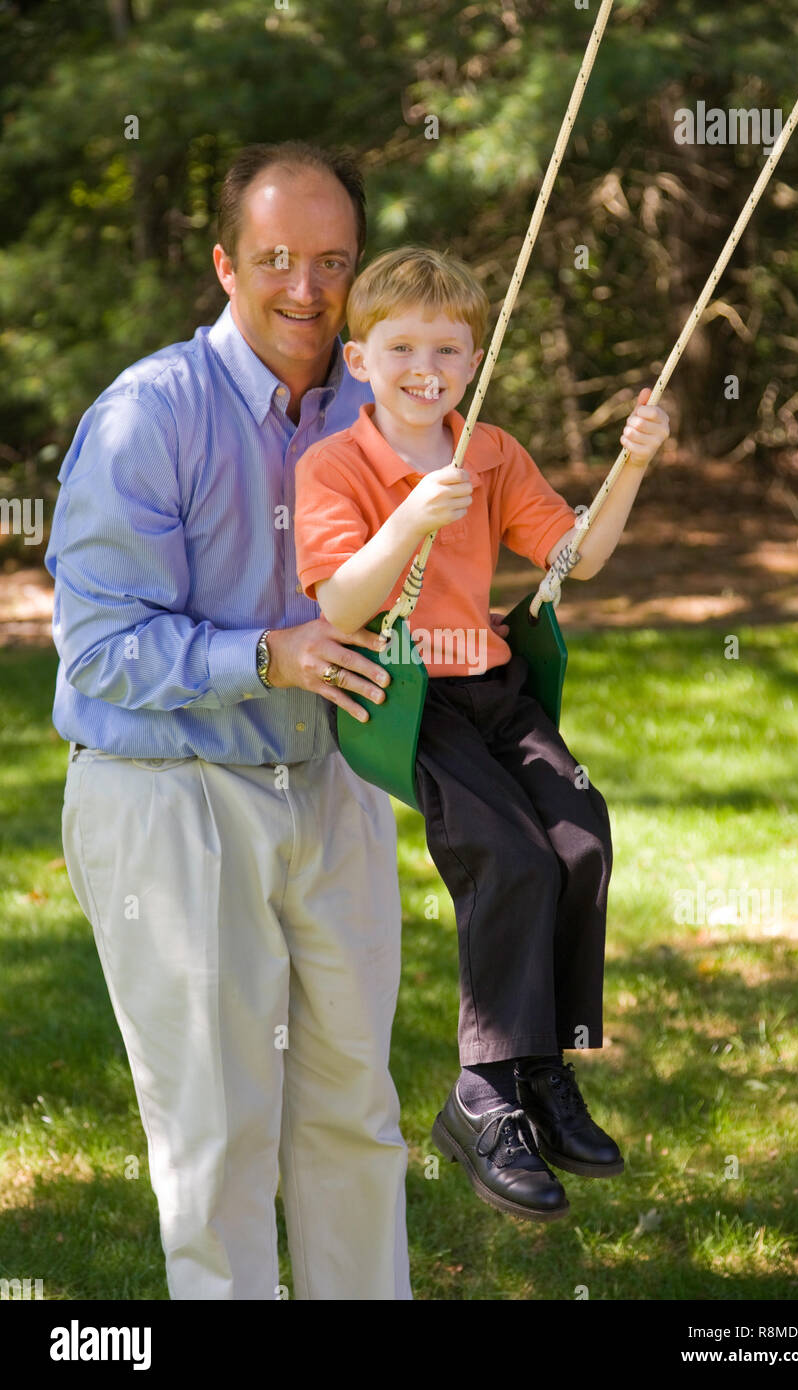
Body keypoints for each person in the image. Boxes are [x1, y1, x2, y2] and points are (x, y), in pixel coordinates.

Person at [44, 142, 414, 1299]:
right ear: (225, 264)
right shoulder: (146, 416)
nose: (306, 289)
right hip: (170, 794)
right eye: (276, 261)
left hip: (333, 782)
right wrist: (268, 653)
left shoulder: (378, 408)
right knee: (217, 1133)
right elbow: (99, 644)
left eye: (333, 263)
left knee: (356, 1112)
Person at [293, 245, 670, 1222]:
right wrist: (410, 518)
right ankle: (484, 1092)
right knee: (508, 858)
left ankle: (541, 1069)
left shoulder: (490, 450)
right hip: (402, 693)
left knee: (578, 841)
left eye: (449, 349)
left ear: (472, 359)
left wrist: (630, 461)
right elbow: (339, 598)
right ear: (361, 359)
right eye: (402, 346)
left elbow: (575, 555)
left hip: (494, 681)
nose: (427, 366)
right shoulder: (332, 464)